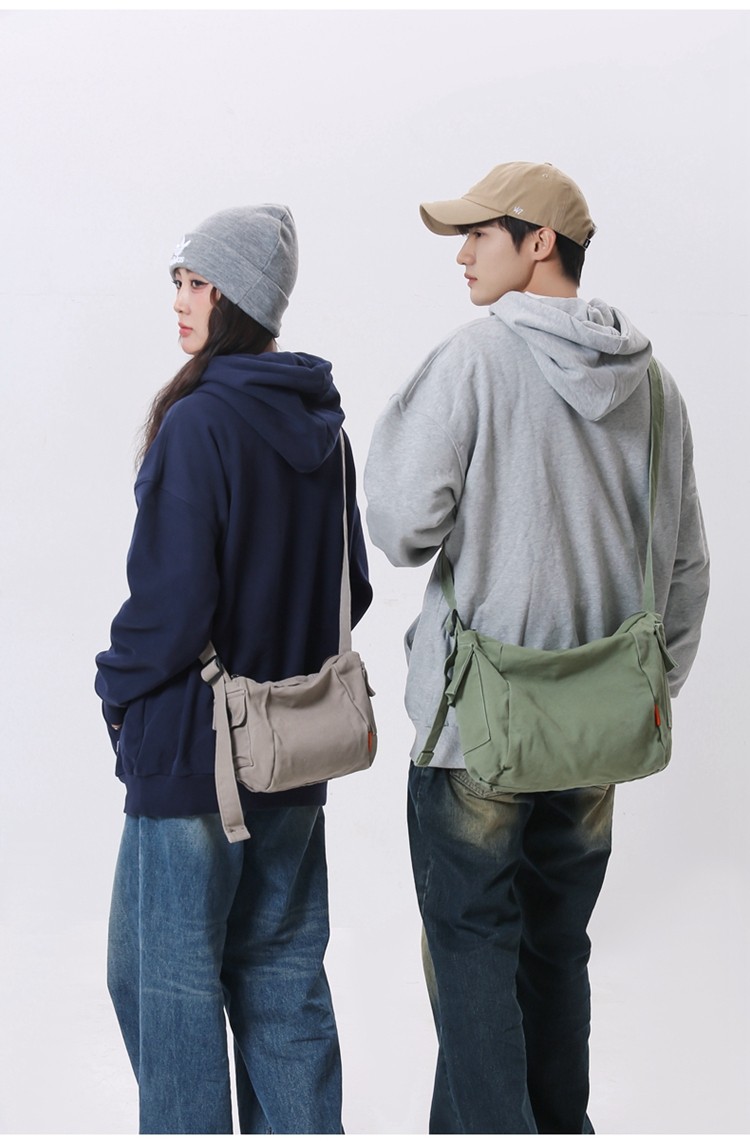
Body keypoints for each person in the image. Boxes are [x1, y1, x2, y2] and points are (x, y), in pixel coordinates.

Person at [364, 162, 709, 1134]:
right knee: (555, 954)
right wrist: (641, 690)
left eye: (479, 234)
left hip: (478, 731)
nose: (463, 255)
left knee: (474, 962)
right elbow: (686, 567)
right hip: (594, 735)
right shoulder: (657, 387)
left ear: (539, 242)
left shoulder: (476, 361)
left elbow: (397, 524)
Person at [95, 204, 372, 1134]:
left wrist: (114, 689)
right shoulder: (324, 428)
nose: (181, 300)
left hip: (191, 759)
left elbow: (168, 611)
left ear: (240, 298)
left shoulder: (200, 424)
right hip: (292, 753)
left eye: (199, 284)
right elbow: (354, 586)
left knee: (164, 989)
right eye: (178, 281)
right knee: (281, 976)